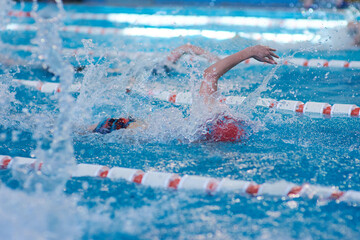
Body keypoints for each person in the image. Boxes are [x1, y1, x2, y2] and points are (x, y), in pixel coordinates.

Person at [88, 44, 279, 142]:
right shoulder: (202, 128)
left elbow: (210, 74)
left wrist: (250, 51)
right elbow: (209, 74)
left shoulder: (205, 117)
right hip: (128, 129)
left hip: (127, 127)